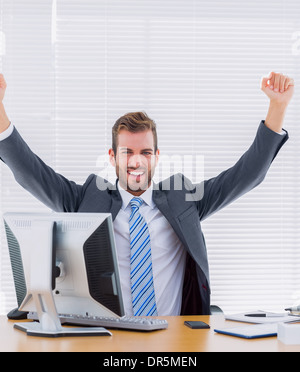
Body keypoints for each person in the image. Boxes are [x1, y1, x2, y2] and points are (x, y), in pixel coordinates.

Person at [0, 72, 294, 316]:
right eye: (127, 152)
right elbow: (30, 173)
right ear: (112, 156)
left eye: (145, 152)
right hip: (108, 339)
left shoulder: (183, 198)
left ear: (156, 156)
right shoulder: (88, 199)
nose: (136, 161)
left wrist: (277, 108)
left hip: (175, 340)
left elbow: (246, 175)